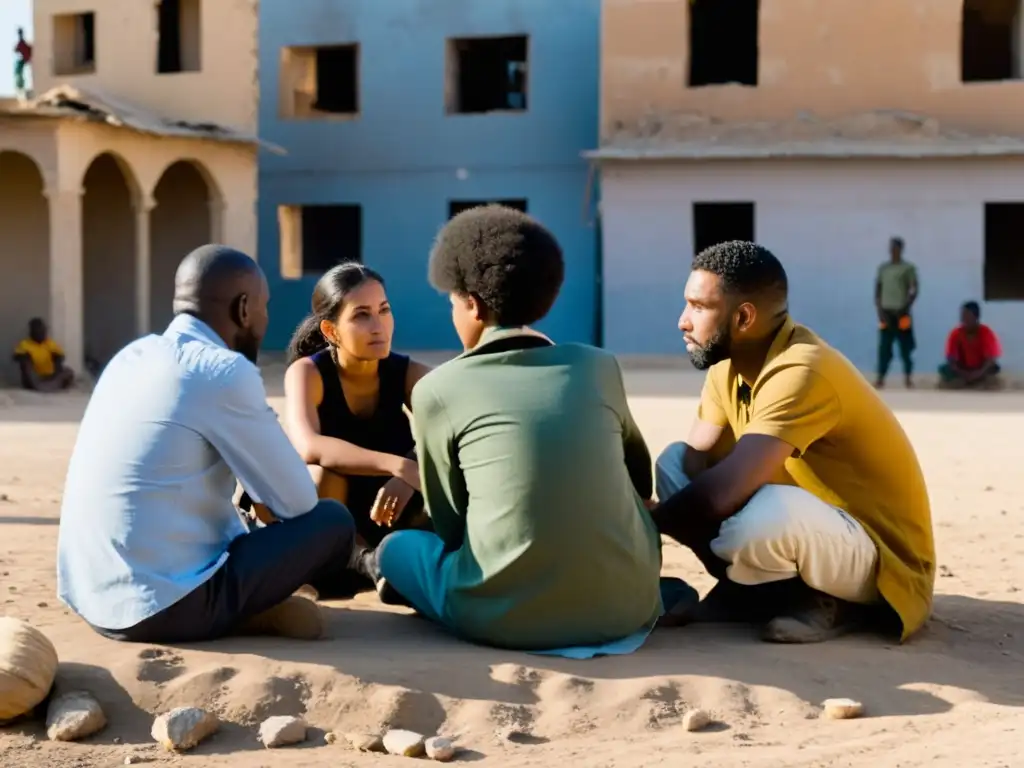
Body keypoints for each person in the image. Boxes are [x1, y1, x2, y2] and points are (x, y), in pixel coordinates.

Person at [373, 205, 669, 653]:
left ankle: (430, 592)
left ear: (471, 303)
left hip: (502, 618)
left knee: (396, 550)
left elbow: (451, 527)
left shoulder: (438, 389)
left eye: (453, 302)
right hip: (628, 608)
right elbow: (639, 479)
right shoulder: (597, 366)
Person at [57, 245, 358, 644]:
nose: (266, 319)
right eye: (264, 307)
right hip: (164, 609)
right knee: (332, 521)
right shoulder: (223, 370)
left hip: (91, 597)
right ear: (244, 308)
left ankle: (254, 606)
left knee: (240, 518)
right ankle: (258, 605)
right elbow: (298, 503)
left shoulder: (130, 357)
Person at [654, 241, 934, 644]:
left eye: (699, 307)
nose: (683, 321)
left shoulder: (803, 369)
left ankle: (832, 601)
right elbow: (696, 466)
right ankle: (747, 591)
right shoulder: (727, 367)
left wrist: (639, 530)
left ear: (744, 317)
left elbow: (718, 496)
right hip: (817, 531)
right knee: (673, 464)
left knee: (758, 522)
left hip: (881, 558)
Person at [278, 262, 432, 595]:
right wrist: (399, 465)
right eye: (361, 315)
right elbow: (310, 445)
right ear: (331, 332)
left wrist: (411, 466)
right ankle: (362, 563)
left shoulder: (407, 373)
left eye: (384, 310)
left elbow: (460, 423)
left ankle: (391, 564)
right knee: (321, 472)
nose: (379, 326)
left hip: (391, 513)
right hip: (334, 523)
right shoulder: (308, 374)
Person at [874, 236, 918, 388]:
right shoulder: (883, 269)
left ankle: (908, 378)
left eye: (896, 248)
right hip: (886, 314)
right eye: (891, 248)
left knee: (906, 347)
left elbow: (914, 289)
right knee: (884, 347)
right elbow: (878, 290)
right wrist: (879, 310)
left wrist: (906, 307)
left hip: (902, 313)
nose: (893, 251)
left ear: (901, 250)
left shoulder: (908, 268)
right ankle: (880, 378)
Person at [938, 301, 1002, 389]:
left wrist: (978, 373)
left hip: (981, 368)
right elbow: (951, 359)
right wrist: (963, 373)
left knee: (994, 368)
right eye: (963, 317)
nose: (964, 320)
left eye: (967, 316)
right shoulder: (956, 334)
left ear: (976, 317)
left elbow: (991, 359)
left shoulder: (986, 333)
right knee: (944, 369)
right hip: (962, 369)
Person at [12, 318, 74, 392]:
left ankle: (50, 385)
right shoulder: (25, 344)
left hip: (50, 375)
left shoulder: (50, 343)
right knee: (25, 363)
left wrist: (57, 359)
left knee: (69, 371)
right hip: (34, 376)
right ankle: (41, 386)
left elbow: (61, 356)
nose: (42, 333)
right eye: (38, 330)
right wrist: (25, 357)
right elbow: (16, 357)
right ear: (32, 332)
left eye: (43, 330)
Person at [13, 28, 31, 100]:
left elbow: (18, 50)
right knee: (19, 75)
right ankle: (20, 87)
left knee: (19, 74)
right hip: (23, 60)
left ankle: (21, 87)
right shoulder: (21, 43)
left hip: (23, 60)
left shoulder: (22, 43)